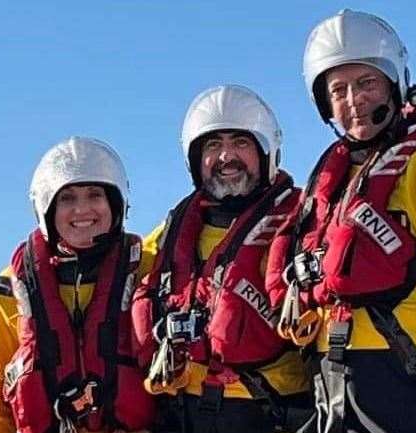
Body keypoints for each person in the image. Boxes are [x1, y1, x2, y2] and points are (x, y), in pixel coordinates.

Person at [266, 9, 416, 433]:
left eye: (367, 83)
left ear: (396, 84)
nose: (353, 100)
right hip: (335, 389)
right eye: (337, 90)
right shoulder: (332, 184)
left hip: (411, 385)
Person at [131, 84, 312, 433]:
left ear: (266, 151)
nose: (227, 156)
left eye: (240, 142)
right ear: (195, 160)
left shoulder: (304, 220)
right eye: (214, 145)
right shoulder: (170, 236)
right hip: (182, 414)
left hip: (269, 414)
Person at [0, 137, 155, 433]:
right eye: (67, 198)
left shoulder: (150, 274)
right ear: (46, 208)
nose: (82, 210)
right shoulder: (5, 297)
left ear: (116, 204)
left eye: (95, 195)